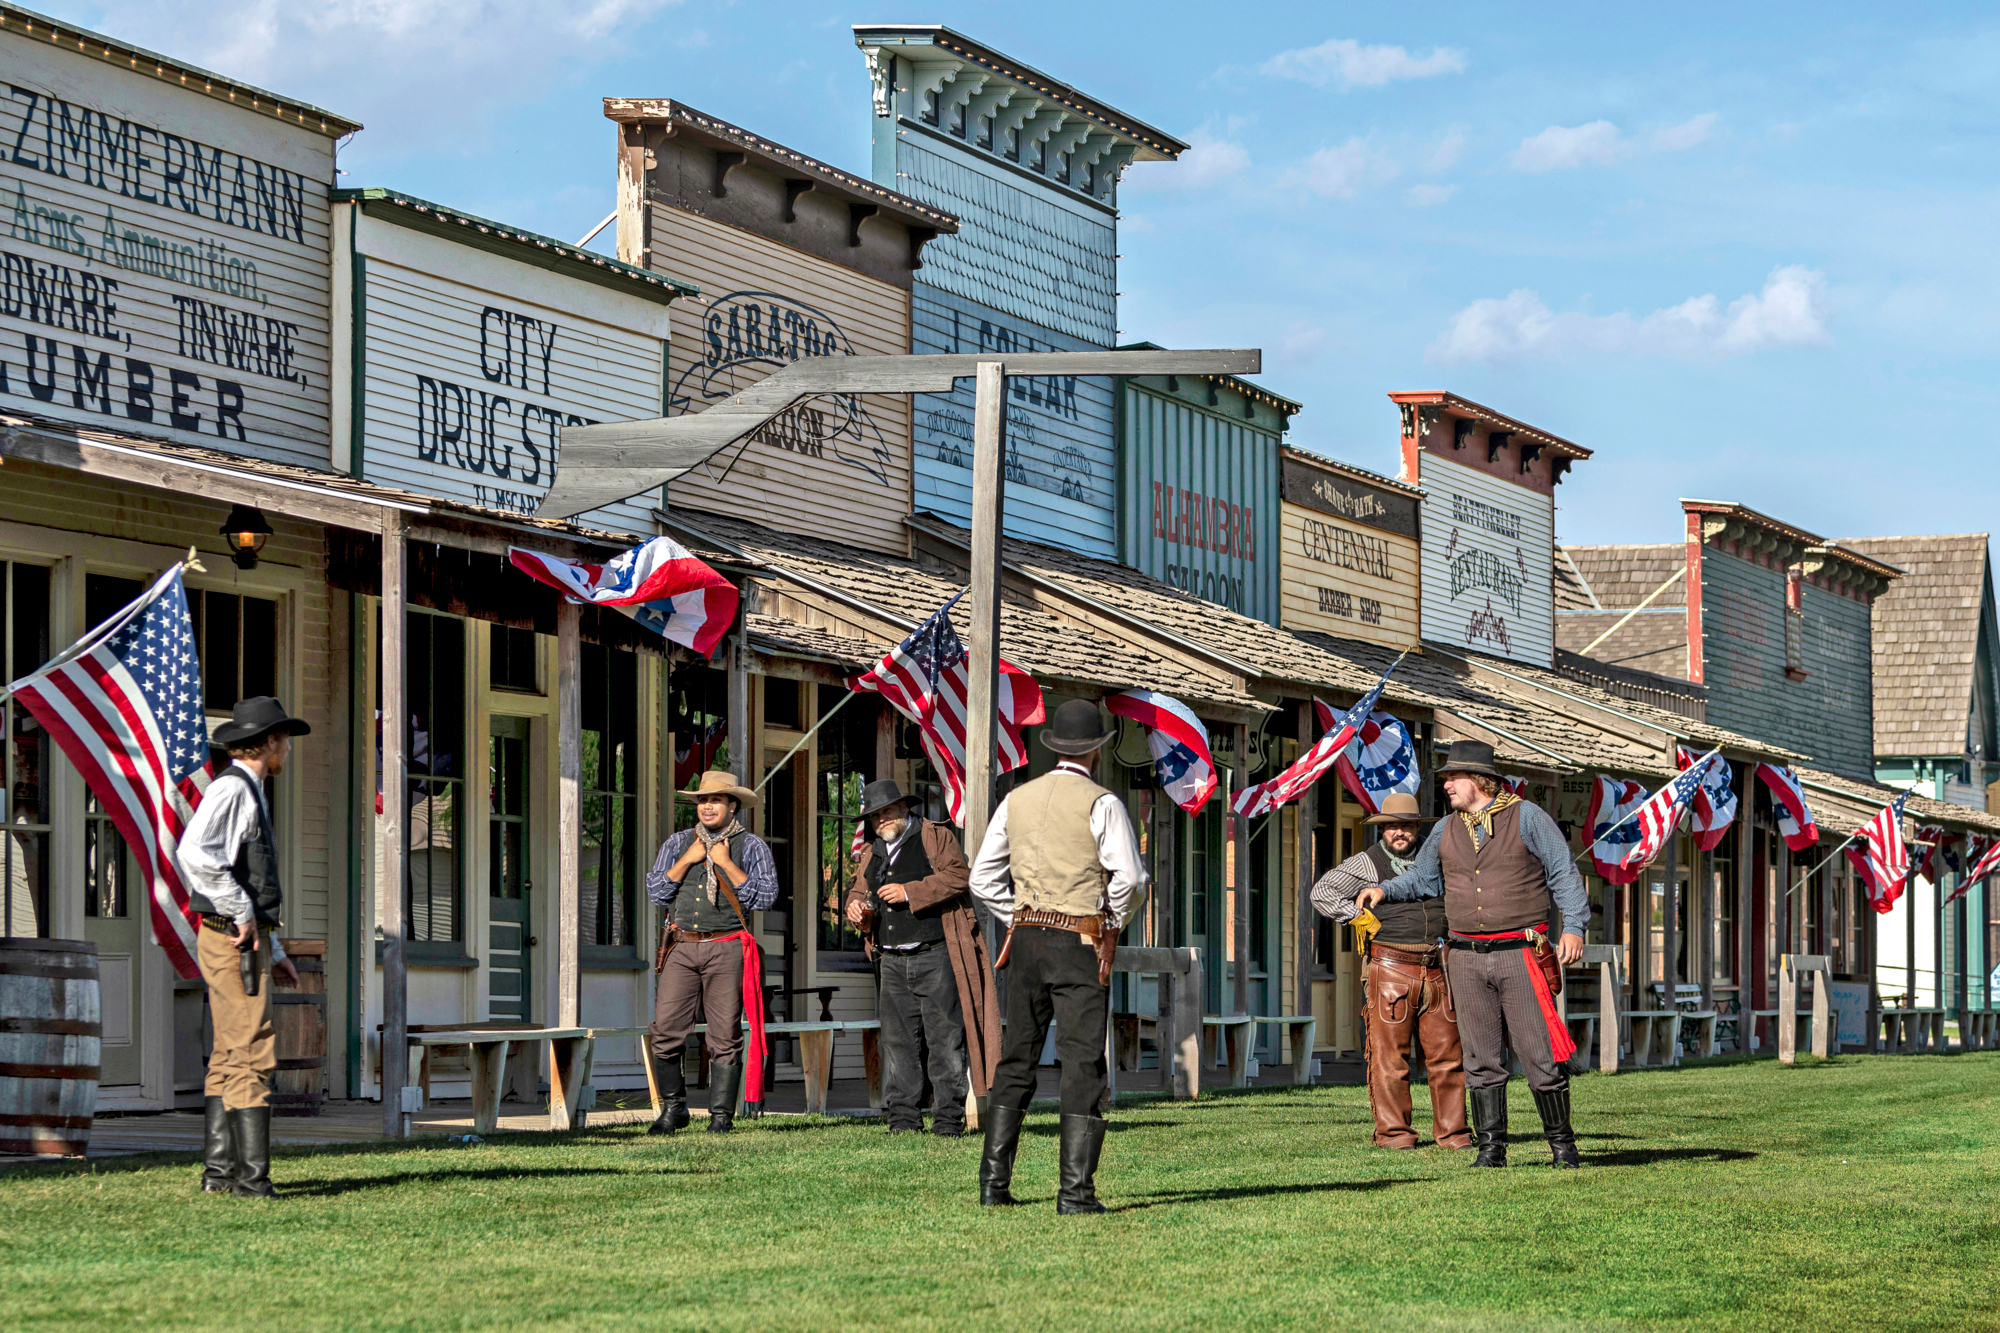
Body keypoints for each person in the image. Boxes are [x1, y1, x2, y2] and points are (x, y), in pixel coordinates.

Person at [1356, 740, 1587, 1169]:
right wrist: (1384, 890)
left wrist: (1573, 926)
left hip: (1521, 954)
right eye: (1445, 779)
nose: (1445, 785)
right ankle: (1491, 1149)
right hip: (1464, 958)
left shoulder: (1528, 817)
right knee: (1480, 1057)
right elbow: (1423, 879)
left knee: (1538, 1055)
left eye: (1452, 778)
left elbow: (1563, 872)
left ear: (1479, 780)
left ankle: (1563, 1147)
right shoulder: (1446, 828)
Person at [969, 698, 1148, 1214]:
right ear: (1098, 749)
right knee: (1081, 1062)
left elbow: (983, 878)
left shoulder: (1016, 799)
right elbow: (1131, 879)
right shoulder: (1102, 802)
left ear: (1054, 748)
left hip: (1025, 939)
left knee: (1017, 1056)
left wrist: (1019, 914)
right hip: (1078, 940)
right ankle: (1075, 1193)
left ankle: (993, 1186)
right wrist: (1111, 920)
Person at [177, 696, 309, 1199]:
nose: (288, 749)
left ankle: (220, 1175)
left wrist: (274, 951)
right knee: (251, 1049)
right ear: (270, 741)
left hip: (235, 938)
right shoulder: (234, 789)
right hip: (231, 937)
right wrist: (242, 910)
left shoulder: (246, 789)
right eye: (285, 740)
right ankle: (251, 1182)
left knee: (230, 1052)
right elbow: (196, 853)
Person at [1310, 791, 1470, 1151]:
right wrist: (1358, 917)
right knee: (1389, 1059)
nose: (1401, 832)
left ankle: (1454, 1135)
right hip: (1389, 967)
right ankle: (1395, 1135)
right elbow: (1322, 892)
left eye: (1407, 826)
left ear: (1418, 828)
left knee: (1448, 1057)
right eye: (1393, 826)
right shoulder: (1367, 863)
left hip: (1439, 967)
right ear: (1382, 829)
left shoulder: (1438, 855)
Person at [842, 779, 1001, 1137]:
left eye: (887, 811)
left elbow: (959, 876)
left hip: (936, 955)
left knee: (945, 1042)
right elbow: (858, 891)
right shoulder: (872, 852)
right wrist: (855, 907)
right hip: (891, 960)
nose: (882, 820)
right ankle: (903, 1121)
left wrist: (909, 892)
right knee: (898, 1044)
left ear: (903, 807)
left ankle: (947, 1121)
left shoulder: (935, 837)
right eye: (875, 816)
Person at [645, 770, 779, 1135]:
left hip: (727, 946)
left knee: (724, 1035)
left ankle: (721, 1117)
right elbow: (656, 892)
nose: (707, 806)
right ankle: (674, 1109)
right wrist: (688, 859)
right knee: (665, 1030)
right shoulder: (678, 842)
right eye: (703, 800)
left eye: (716, 800)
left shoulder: (751, 846)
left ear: (732, 806)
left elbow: (766, 896)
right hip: (682, 945)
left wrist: (726, 863)